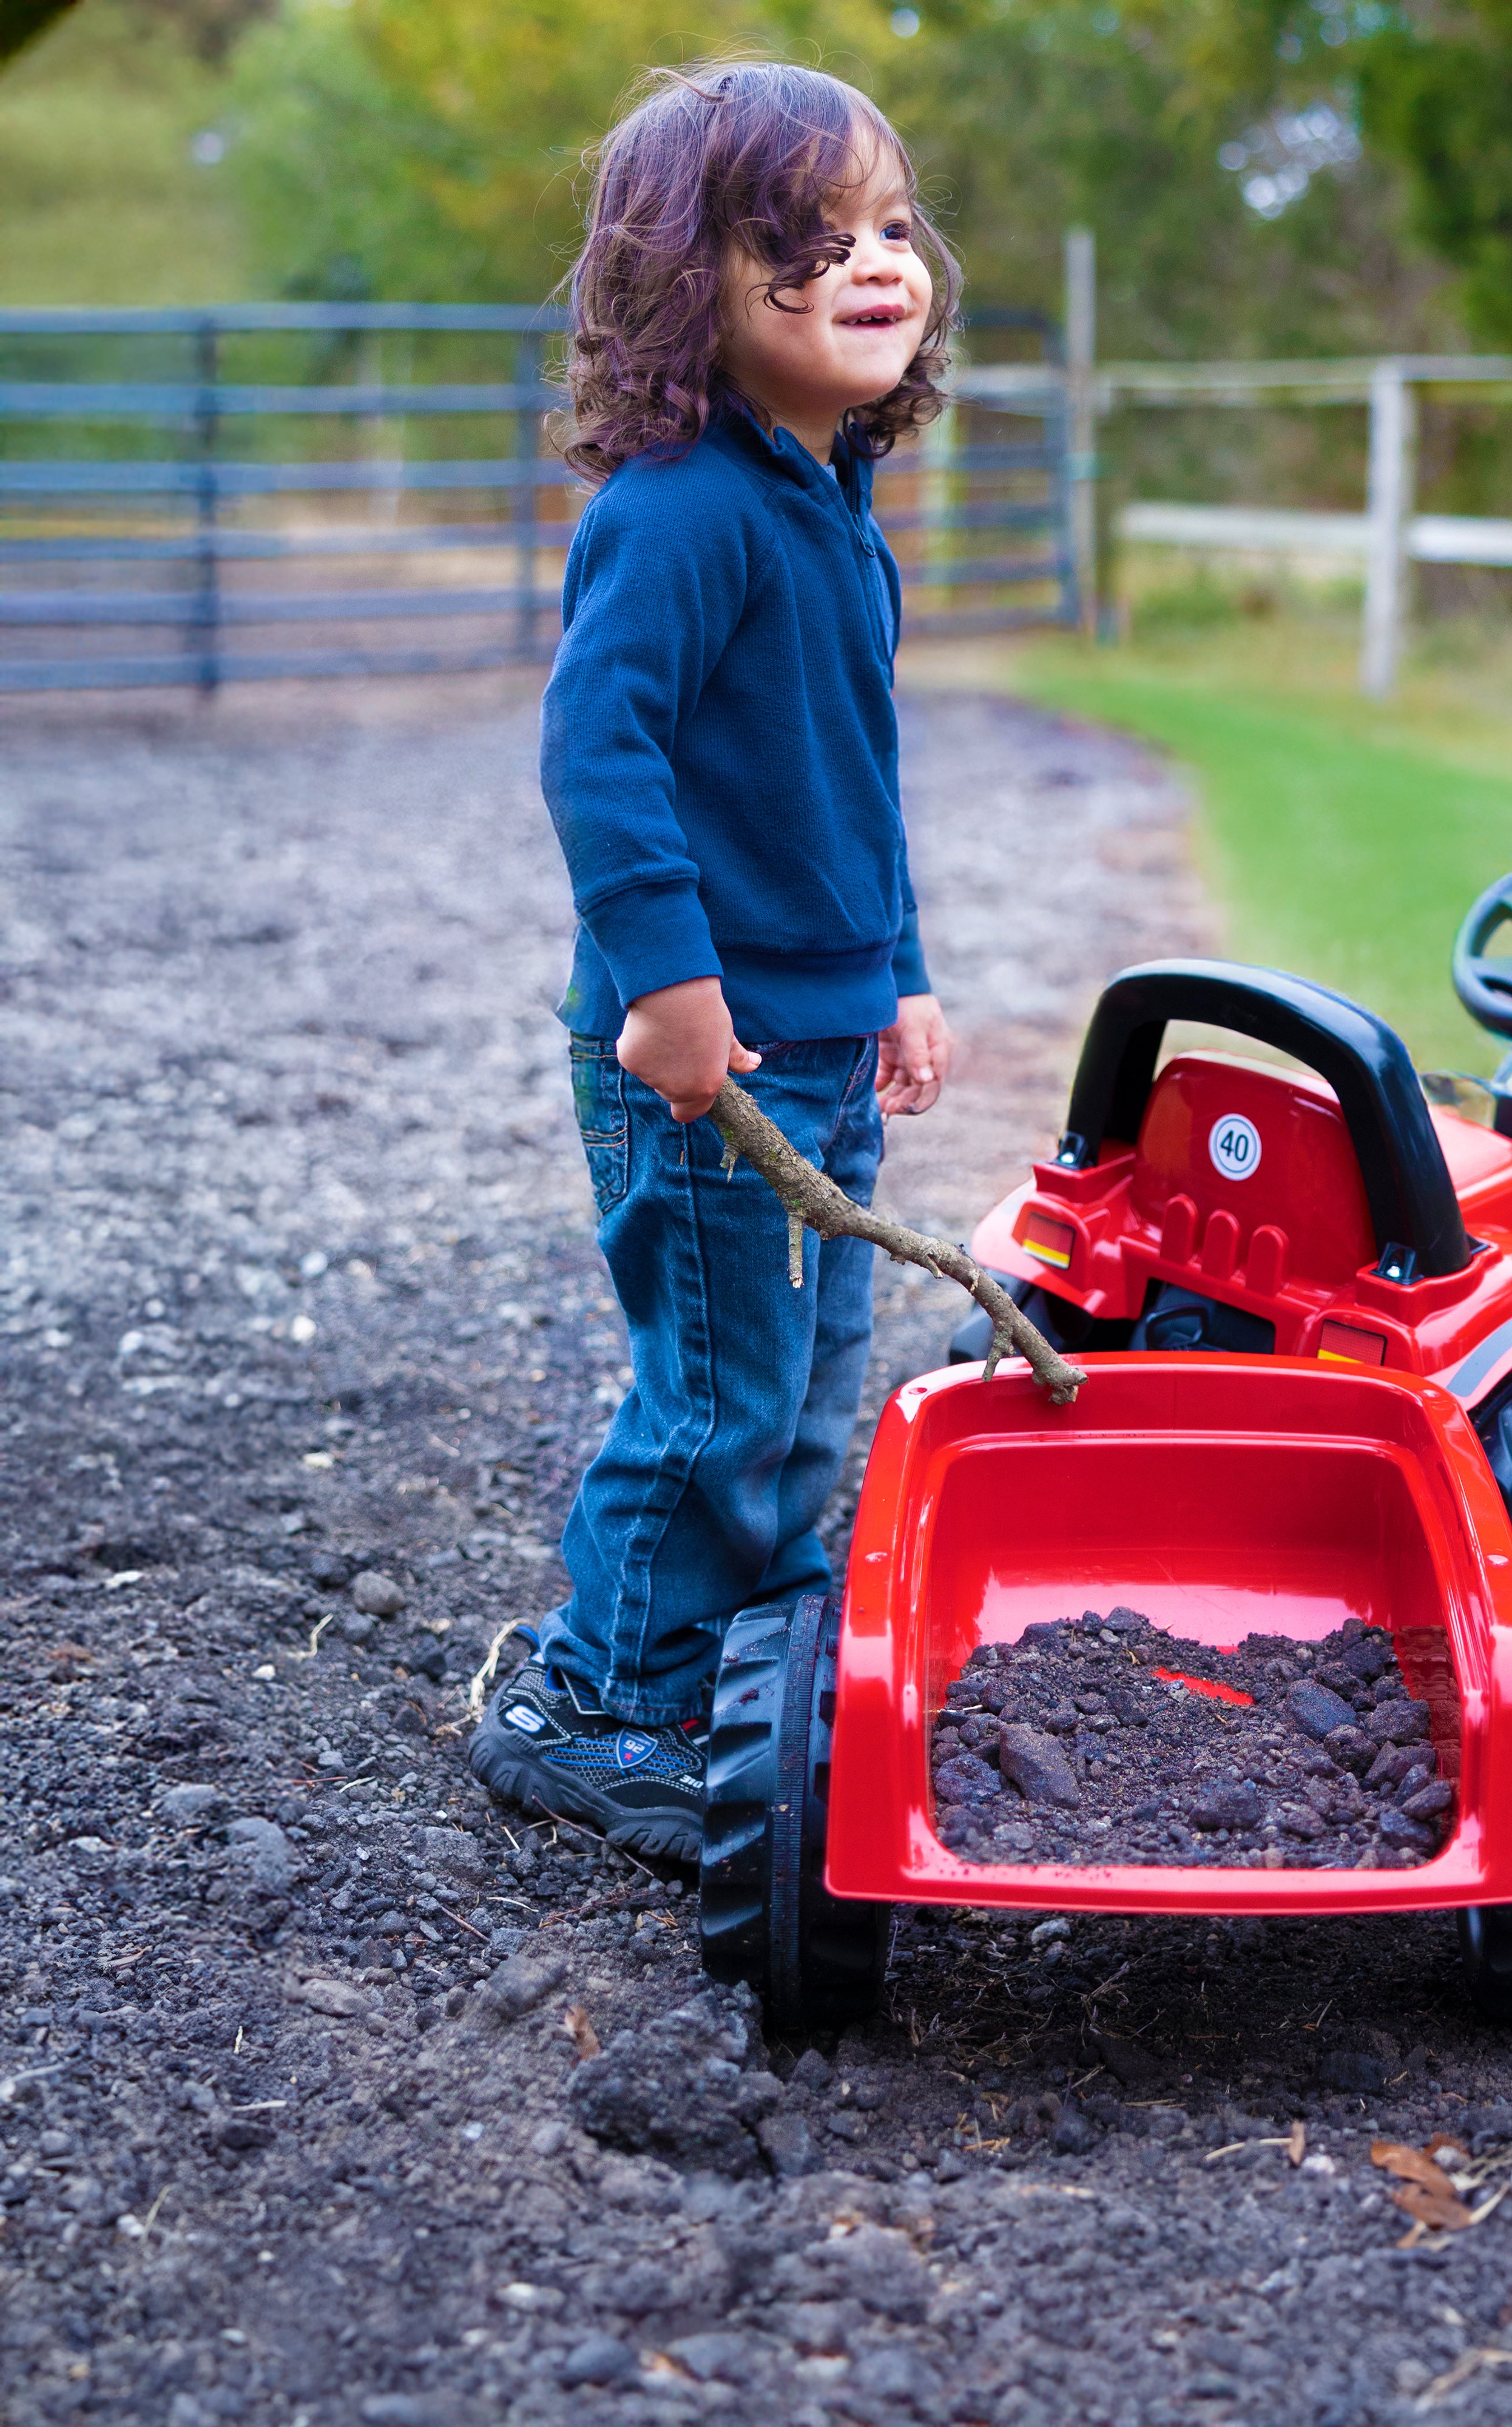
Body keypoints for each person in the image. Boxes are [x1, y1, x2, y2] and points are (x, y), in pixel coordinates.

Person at [469, 60, 958, 1860]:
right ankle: (602, 1701)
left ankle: (746, 1658)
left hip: (822, 1043)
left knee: (812, 1374)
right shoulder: (678, 514)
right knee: (714, 1391)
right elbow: (602, 756)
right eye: (807, 240)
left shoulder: (835, 515)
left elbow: (855, 776)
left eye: (893, 230)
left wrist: (897, 966)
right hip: (707, 1063)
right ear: (690, 284)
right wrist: (671, 986)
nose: (873, 263)